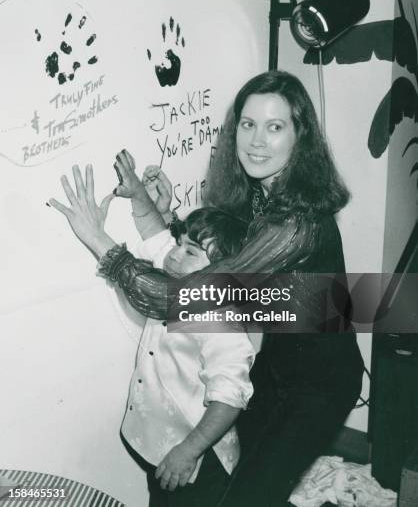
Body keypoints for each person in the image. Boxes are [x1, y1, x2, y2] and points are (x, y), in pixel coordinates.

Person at [50, 70, 364, 506]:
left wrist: (99, 240)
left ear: (300, 137)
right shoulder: (261, 191)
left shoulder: (298, 225)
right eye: (248, 124)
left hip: (319, 382)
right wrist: (160, 211)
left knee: (252, 493)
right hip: (273, 361)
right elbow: (220, 262)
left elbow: (178, 299)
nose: (256, 140)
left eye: (275, 127)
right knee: (245, 477)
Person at [50, 159, 254, 507]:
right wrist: (139, 195)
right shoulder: (177, 276)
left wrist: (188, 452)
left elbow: (229, 398)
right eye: (181, 243)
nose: (175, 254)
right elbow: (156, 235)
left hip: (197, 458)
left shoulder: (222, 324)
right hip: (158, 441)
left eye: (191, 251)